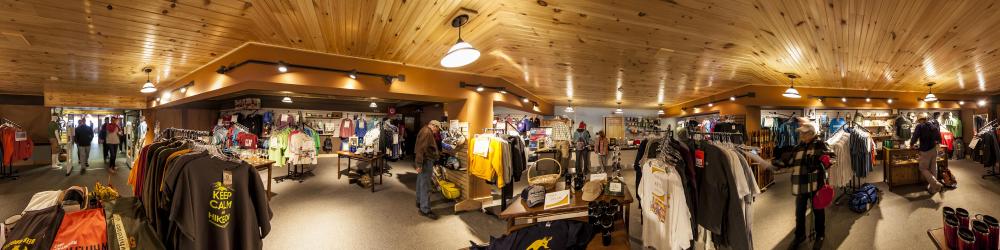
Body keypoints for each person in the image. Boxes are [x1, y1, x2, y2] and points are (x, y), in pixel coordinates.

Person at [772, 119, 834, 248]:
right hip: (800, 185)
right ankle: (800, 236)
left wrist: (821, 162)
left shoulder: (820, 145)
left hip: (815, 185)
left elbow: (832, 158)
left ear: (812, 133)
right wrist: (780, 163)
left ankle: (820, 234)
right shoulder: (798, 147)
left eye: (804, 133)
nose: (801, 135)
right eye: (801, 133)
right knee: (799, 214)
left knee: (818, 211)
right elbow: (790, 162)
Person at [414, 120, 442, 219]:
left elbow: (420, 148)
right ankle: (425, 209)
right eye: (437, 129)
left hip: (424, 161)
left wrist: (419, 163)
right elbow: (421, 149)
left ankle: (419, 202)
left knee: (421, 182)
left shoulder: (425, 130)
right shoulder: (427, 132)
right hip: (426, 161)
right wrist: (419, 164)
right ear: (434, 126)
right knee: (426, 186)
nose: (437, 131)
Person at [910, 114, 944, 194]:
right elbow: (939, 137)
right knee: (933, 169)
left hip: (925, 150)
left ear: (920, 120)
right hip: (934, 149)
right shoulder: (932, 125)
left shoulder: (920, 126)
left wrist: (911, 144)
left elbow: (915, 136)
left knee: (923, 168)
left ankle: (936, 184)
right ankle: (933, 189)